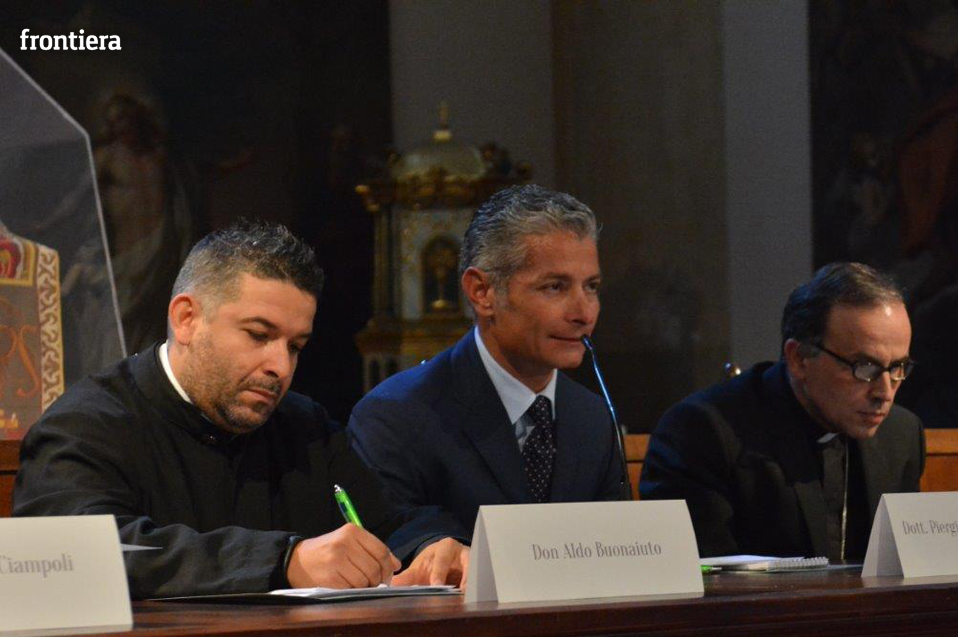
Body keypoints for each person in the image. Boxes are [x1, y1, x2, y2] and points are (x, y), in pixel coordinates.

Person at [14, 220, 467, 598]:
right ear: (186, 318)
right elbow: (78, 555)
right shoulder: (85, 426)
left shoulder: (304, 427)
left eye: (295, 346)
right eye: (258, 335)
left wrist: (431, 546)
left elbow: (390, 518)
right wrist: (284, 561)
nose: (280, 367)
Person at [347, 185, 622, 549]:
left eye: (591, 287)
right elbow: (395, 539)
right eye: (555, 287)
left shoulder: (593, 417)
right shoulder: (396, 417)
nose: (583, 313)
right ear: (482, 292)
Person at [639, 262, 925, 561]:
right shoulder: (702, 432)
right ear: (799, 358)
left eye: (898, 367)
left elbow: (904, 569)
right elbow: (702, 577)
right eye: (864, 367)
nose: (884, 392)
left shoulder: (901, 436)